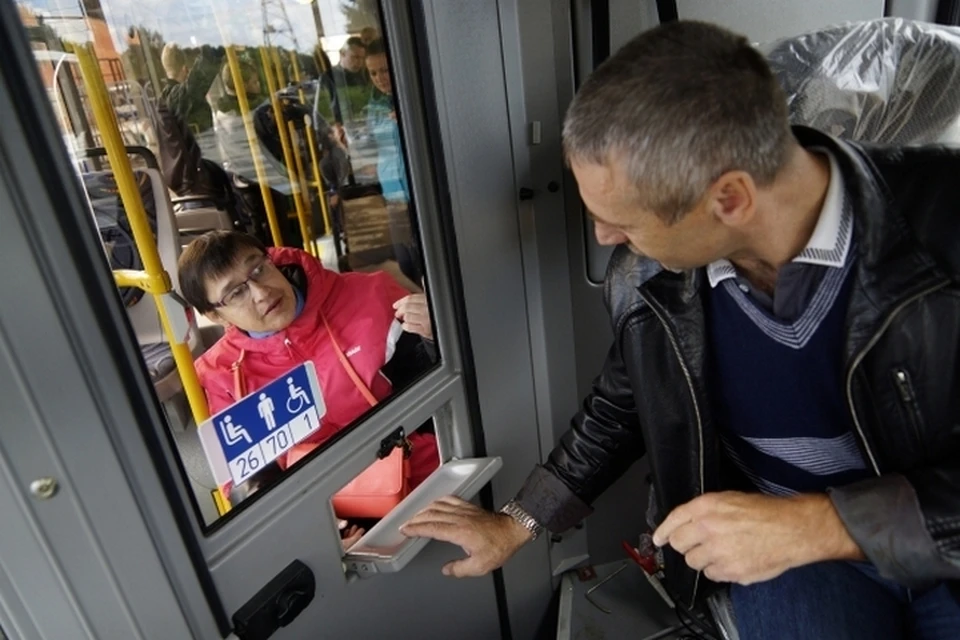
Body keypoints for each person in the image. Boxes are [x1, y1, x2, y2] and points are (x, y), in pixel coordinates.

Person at [401, 20, 960, 639]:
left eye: (624, 222)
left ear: (730, 200)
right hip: (785, 550)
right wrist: (518, 522)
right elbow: (622, 406)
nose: (606, 239)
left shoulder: (943, 237)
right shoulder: (649, 278)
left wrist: (822, 524)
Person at [179, 231, 439, 541]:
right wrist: (315, 531)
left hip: (431, 480)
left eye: (259, 269)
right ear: (213, 314)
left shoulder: (371, 295)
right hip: (336, 519)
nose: (261, 293)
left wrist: (436, 337)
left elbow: (437, 390)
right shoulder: (221, 374)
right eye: (236, 293)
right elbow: (249, 480)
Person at [364, 39, 422, 284]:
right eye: (373, 72)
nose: (379, 78)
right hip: (392, 192)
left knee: (424, 259)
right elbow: (371, 149)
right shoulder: (375, 107)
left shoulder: (416, 98)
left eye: (384, 70)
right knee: (406, 261)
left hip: (418, 191)